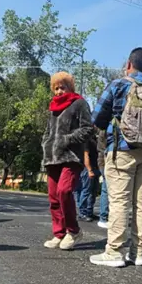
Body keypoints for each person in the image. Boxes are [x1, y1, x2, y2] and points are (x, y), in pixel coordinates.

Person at [89, 47, 142, 267]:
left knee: (119, 201)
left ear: (129, 64)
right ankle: (137, 253)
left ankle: (114, 252)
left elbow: (97, 118)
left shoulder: (117, 85)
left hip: (122, 150)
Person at [41, 72, 95, 251]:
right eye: (55, 88)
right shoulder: (53, 108)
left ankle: (73, 231)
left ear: (70, 87)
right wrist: (46, 145)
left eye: (62, 87)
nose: (58, 91)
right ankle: (59, 233)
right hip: (52, 158)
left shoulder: (79, 103)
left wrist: (67, 139)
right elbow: (48, 132)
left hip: (71, 157)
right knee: (53, 198)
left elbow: (88, 129)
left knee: (64, 192)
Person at [76, 137, 100, 222]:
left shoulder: (95, 139)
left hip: (95, 167)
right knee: (86, 191)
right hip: (88, 168)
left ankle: (89, 212)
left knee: (93, 192)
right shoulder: (86, 140)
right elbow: (86, 155)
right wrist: (89, 169)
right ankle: (82, 213)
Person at [96, 128, 109, 229]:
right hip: (106, 162)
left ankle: (104, 217)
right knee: (106, 190)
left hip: (104, 162)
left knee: (106, 190)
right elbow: (101, 150)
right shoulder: (105, 131)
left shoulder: (103, 129)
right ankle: (104, 217)